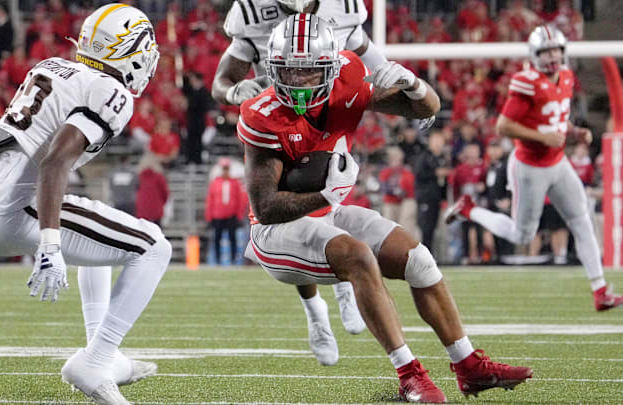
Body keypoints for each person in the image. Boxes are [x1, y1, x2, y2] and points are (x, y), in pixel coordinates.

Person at [240, 14, 532, 403]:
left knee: (418, 259)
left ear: (329, 67)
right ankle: (410, 375)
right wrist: (327, 195)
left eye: (310, 72)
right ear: (273, 69)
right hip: (275, 232)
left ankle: (468, 366)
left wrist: (412, 82)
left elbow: (424, 108)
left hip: (325, 212)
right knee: (357, 255)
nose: (299, 82)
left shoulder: (347, 81)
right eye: (289, 72)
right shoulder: (263, 115)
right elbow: (268, 207)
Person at [0, 5, 170, 405]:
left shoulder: (54, 66)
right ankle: (97, 359)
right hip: (15, 209)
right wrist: (50, 243)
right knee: (154, 247)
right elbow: (56, 160)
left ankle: (104, 358)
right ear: (126, 50)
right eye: (143, 50)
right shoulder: (110, 91)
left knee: (100, 235)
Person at [212, 0, 387, 356]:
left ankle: (340, 288)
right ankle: (315, 312)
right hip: (277, 121)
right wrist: (233, 91)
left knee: (327, 198)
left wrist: (401, 85)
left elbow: (373, 60)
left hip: (327, 112)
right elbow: (221, 80)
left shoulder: (344, 8)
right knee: (289, 214)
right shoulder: (252, 11)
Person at [446, 25, 623, 311]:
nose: (553, 56)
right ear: (535, 55)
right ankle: (470, 210)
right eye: (546, 52)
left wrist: (575, 132)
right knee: (522, 235)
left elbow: (555, 117)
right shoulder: (526, 82)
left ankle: (600, 291)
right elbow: (503, 126)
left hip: (558, 162)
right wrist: (544, 138)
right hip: (529, 167)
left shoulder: (566, 77)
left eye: (556, 50)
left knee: (582, 220)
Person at [413, 129, 450, 254]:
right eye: (435, 140)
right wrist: (435, 173)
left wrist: (444, 198)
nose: (438, 143)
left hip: (435, 198)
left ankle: (430, 254)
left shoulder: (441, 158)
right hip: (426, 197)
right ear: (430, 142)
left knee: (433, 228)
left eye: (440, 140)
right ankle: (424, 255)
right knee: (426, 228)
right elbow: (418, 173)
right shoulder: (424, 156)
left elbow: (443, 181)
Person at [205, 157, 246, 265]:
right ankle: (217, 259)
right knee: (217, 238)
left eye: (227, 168)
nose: (225, 171)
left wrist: (239, 214)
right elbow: (210, 200)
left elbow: (239, 200)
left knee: (233, 238)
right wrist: (209, 216)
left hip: (231, 215)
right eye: (224, 168)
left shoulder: (234, 183)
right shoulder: (215, 183)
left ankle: (233, 259)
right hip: (217, 215)